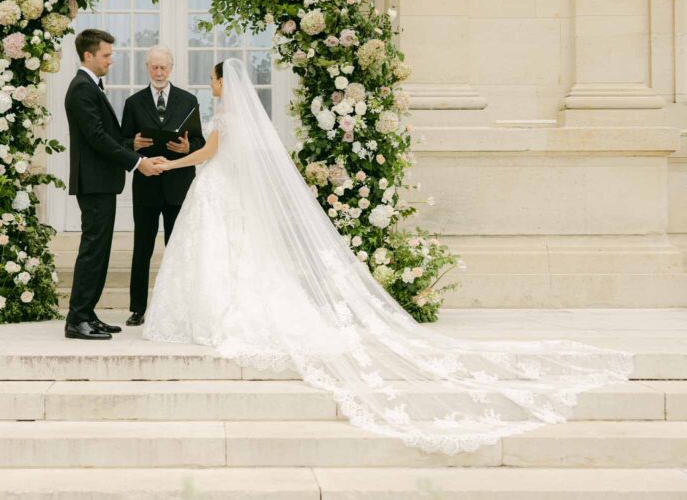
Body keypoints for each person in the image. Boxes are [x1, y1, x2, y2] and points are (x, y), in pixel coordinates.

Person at [144, 58, 633, 454]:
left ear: (222, 83)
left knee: (226, 256)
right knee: (239, 256)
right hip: (226, 195)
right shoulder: (237, 118)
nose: (208, 85)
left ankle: (218, 313)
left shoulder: (226, 116)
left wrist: (171, 161)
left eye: (211, 79)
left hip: (217, 192)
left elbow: (210, 154)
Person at [63, 29, 165, 340]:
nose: (111, 60)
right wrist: (137, 162)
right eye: (106, 55)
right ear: (88, 56)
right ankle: (77, 319)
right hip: (93, 183)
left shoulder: (90, 86)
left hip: (100, 182)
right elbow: (96, 138)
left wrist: (130, 145)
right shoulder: (82, 88)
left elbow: (104, 134)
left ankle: (88, 314)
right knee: (93, 250)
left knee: (99, 249)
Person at [120, 46, 205, 326]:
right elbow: (120, 143)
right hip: (146, 184)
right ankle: (138, 309)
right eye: (154, 67)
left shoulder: (188, 99)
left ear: (171, 68)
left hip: (179, 186)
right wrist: (132, 145)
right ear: (147, 68)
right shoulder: (133, 102)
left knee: (177, 247)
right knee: (142, 247)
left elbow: (201, 142)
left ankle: (179, 308)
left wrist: (186, 146)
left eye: (163, 68)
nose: (158, 72)